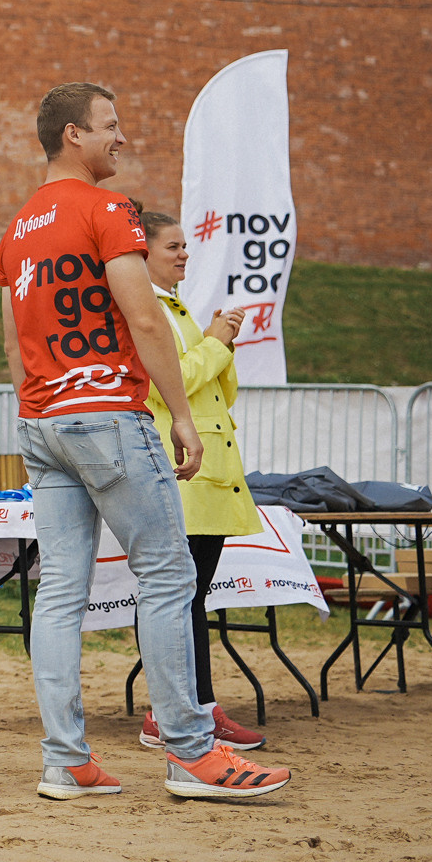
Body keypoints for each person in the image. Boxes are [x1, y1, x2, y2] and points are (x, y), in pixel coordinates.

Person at [0, 82, 289, 803]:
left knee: (61, 591)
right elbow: (145, 319)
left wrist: (36, 413)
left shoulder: (16, 229)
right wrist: (183, 414)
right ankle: (192, 750)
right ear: (73, 135)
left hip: (45, 417)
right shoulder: (107, 210)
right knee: (167, 576)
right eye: (110, 126)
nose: (120, 137)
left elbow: (13, 339)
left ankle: (64, 759)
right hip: (108, 413)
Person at [136, 208, 267, 752]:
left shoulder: (173, 308)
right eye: (173, 247)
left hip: (204, 474)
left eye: (185, 246)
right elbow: (164, 384)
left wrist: (221, 344)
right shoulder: (148, 310)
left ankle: (185, 708)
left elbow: (217, 394)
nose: (185, 254)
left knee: (192, 598)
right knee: (183, 599)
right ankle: (183, 711)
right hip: (184, 473)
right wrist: (213, 343)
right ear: (142, 252)